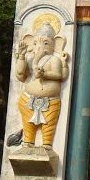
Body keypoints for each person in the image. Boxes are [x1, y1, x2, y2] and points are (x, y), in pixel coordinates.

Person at [14, 23, 69, 151]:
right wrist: (21, 56)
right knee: (27, 123)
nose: (39, 47)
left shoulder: (53, 60)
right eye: (36, 43)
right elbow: (20, 75)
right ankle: (27, 143)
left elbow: (58, 74)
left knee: (49, 125)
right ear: (31, 44)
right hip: (28, 99)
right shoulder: (29, 58)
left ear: (55, 44)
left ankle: (47, 145)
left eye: (45, 43)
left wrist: (44, 74)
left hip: (50, 102)